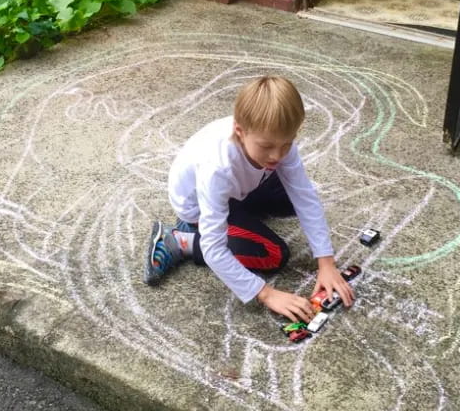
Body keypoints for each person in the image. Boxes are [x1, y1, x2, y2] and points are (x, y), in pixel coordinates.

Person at [143, 75, 354, 322]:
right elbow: (214, 248)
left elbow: (304, 196)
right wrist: (265, 293)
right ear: (240, 131)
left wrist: (326, 263)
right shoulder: (217, 167)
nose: (278, 154)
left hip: (239, 186)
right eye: (267, 146)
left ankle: (243, 216)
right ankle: (180, 241)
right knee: (272, 253)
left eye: (287, 144)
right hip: (199, 206)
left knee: (292, 198)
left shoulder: (273, 137)